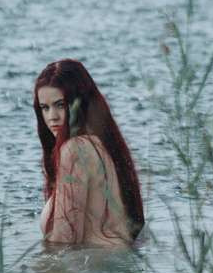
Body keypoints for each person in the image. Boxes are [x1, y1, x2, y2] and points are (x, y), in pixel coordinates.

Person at [33, 59, 145, 248]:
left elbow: (64, 240)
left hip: (94, 264)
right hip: (112, 261)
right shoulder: (101, 144)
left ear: (80, 102)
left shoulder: (75, 149)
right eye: (45, 108)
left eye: (60, 105)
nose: (52, 117)